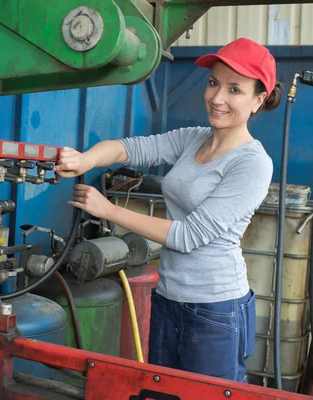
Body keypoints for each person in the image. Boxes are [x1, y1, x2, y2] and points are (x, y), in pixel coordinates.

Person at [53, 37, 281, 382]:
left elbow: (188, 236)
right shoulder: (194, 138)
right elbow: (130, 148)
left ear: (258, 100)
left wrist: (109, 210)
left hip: (214, 309)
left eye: (235, 90)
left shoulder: (253, 164)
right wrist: (86, 159)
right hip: (168, 296)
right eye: (213, 83)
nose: (218, 98)